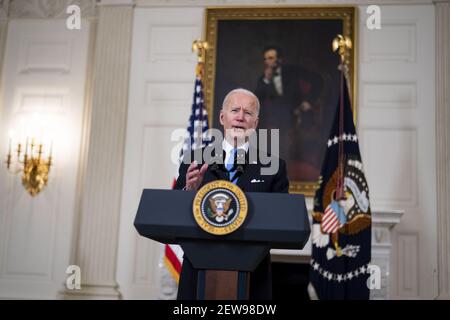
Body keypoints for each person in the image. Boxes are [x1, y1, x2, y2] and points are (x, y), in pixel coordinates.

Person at [174, 88, 289, 300]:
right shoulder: (195, 160)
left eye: (248, 113)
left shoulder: (274, 167)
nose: (240, 117)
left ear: (255, 123)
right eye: (235, 110)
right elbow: (175, 214)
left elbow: (282, 219)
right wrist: (190, 191)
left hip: (252, 273)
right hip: (199, 266)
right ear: (222, 117)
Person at [254, 46, 323, 171]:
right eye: (265, 59)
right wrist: (267, 80)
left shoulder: (293, 71)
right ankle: (270, 167)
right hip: (275, 119)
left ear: (280, 60)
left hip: (297, 114)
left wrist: (309, 101)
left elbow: (318, 80)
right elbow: (257, 101)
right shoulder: (263, 79)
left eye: (270, 58)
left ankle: (285, 165)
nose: (267, 62)